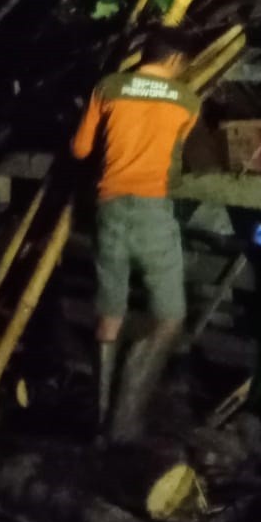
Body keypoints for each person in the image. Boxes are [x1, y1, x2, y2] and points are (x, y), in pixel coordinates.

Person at [70, 36, 204, 442]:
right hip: (153, 211)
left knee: (110, 312)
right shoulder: (187, 102)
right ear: (177, 59)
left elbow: (79, 150)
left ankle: (98, 422)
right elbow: (174, 168)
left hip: (109, 207)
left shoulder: (108, 87)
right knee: (170, 315)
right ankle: (124, 423)